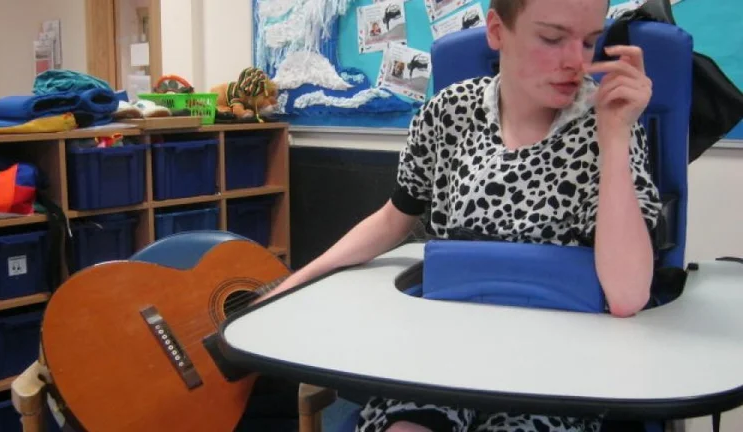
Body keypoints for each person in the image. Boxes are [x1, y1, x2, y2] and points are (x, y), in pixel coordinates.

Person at [256, 0, 662, 430]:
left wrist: (614, 139)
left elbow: (626, 296)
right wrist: (291, 285)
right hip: (444, 350)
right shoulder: (449, 113)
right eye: (552, 38)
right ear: (497, 31)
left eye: (589, 43)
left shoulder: (607, 125)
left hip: (551, 367)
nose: (575, 62)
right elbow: (393, 218)